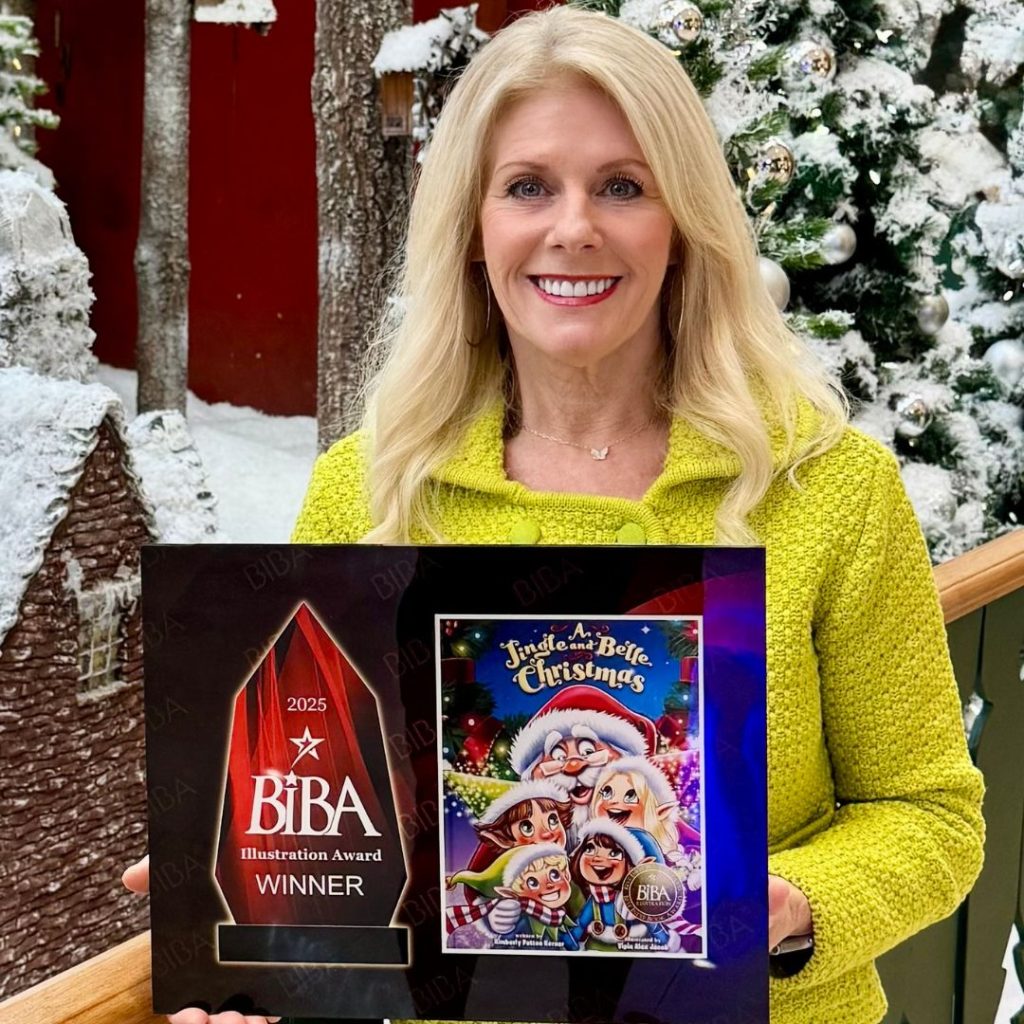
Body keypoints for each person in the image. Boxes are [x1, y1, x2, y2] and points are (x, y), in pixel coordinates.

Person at [124, 6, 984, 1023]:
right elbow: (336, 826)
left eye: (622, 186)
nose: (573, 228)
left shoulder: (827, 486)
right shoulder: (373, 488)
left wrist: (792, 905)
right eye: (528, 186)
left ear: (684, 226)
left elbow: (929, 814)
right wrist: (252, 927)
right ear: (473, 229)